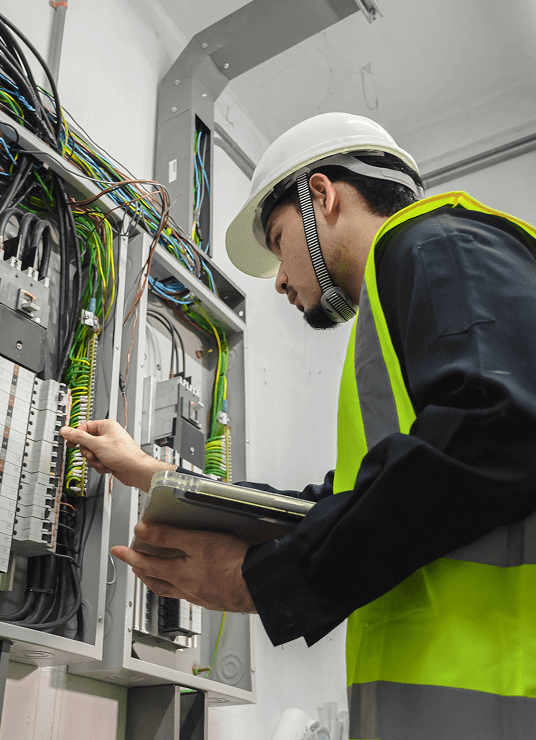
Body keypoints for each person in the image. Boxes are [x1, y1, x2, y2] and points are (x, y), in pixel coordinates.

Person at [60, 113, 536, 739]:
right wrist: (155, 475)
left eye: (279, 240)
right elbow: (352, 503)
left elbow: (498, 430)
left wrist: (261, 582)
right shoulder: (406, 293)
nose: (281, 279)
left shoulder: (443, 244)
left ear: (322, 195)